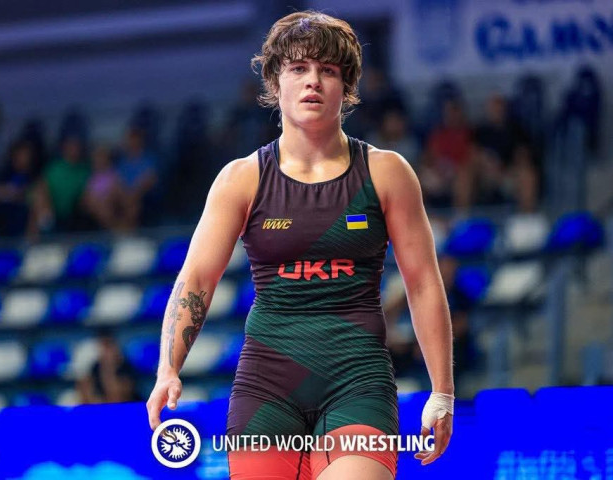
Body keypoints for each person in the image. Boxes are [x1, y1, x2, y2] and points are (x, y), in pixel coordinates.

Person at [146, 11, 454, 479]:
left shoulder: (387, 172)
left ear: (346, 86)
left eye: (327, 70)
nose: (313, 81)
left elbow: (423, 283)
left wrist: (442, 390)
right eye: (299, 68)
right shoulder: (241, 179)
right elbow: (197, 279)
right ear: (275, 82)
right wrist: (167, 369)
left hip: (358, 382)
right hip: (267, 387)